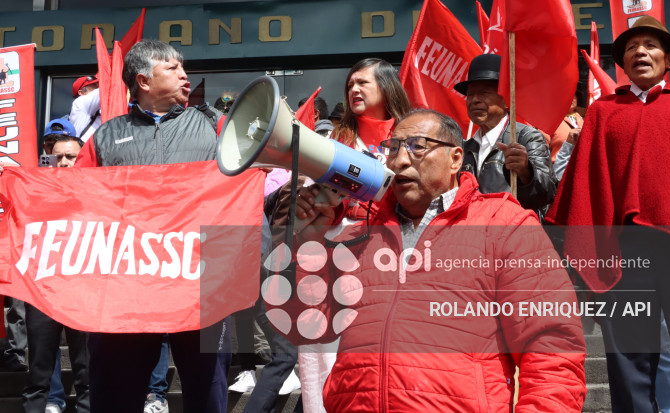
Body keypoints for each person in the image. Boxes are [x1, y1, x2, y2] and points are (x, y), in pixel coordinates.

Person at [275, 109, 586, 411]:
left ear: (455, 159)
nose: (399, 160)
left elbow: (552, 347)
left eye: (417, 147)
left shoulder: (504, 225)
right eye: (393, 148)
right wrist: (309, 244)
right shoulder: (360, 232)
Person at [546, 15, 670, 413]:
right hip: (625, 254)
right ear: (622, 62)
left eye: (650, 45)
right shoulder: (602, 111)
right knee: (628, 365)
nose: (640, 52)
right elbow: (584, 186)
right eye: (631, 47)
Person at [74, 40, 230, 413]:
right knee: (114, 395)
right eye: (172, 68)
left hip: (202, 282)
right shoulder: (105, 136)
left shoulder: (217, 125)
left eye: (183, 66)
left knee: (208, 393)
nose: (184, 74)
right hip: (125, 284)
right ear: (143, 80)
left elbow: (249, 188)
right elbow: (76, 201)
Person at [265, 58, 411, 413]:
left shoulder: (409, 137)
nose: (354, 90)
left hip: (390, 255)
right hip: (332, 259)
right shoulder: (335, 140)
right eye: (350, 85)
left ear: (388, 88)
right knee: (327, 353)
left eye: (363, 83)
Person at [22, 132, 90, 413]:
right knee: (39, 371)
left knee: (87, 371)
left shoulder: (100, 193)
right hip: (43, 292)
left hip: (85, 290)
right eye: (57, 157)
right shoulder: (33, 192)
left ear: (84, 158)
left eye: (71, 157)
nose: (63, 162)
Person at [455, 53, 556, 217]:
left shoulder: (527, 137)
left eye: (484, 93)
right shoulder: (464, 147)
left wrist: (525, 172)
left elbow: (547, 194)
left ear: (507, 100)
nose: (474, 100)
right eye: (470, 94)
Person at [549, 93, 584, 162]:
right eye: (567, 95)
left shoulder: (584, 121)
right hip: (559, 165)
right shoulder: (550, 121)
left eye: (574, 96)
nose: (571, 99)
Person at [70, 75, 101, 143]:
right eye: (95, 87)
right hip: (85, 147)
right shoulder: (79, 102)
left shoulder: (97, 107)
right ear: (82, 92)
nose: (98, 88)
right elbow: (104, 89)